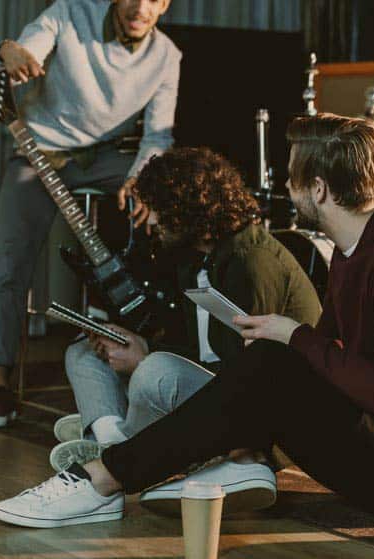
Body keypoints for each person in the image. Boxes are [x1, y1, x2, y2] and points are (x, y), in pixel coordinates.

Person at [0, 114, 374, 528]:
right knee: (269, 362)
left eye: (293, 174)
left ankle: (103, 479)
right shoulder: (356, 250)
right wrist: (292, 345)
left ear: (318, 189)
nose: (285, 184)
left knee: (272, 360)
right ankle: (135, 469)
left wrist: (293, 335)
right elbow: (327, 364)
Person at [49, 147, 321, 513]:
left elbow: (249, 378)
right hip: (205, 384)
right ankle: (112, 438)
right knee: (82, 351)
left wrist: (146, 358)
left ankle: (109, 443)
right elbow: (193, 344)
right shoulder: (192, 258)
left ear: (185, 208)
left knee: (154, 371)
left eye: (158, 208)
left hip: (249, 415)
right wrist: (140, 343)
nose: (152, 221)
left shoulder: (251, 262)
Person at [0, 0, 181, 428]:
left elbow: (159, 134)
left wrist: (142, 179)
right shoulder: (69, 12)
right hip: (41, 153)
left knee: (167, 204)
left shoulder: (167, 57)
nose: (139, 7)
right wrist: (5, 53)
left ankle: (152, 352)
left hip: (110, 158)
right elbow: (17, 55)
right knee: (12, 261)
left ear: (165, 4)